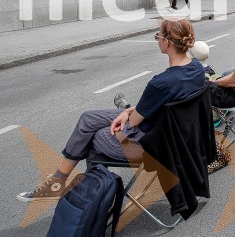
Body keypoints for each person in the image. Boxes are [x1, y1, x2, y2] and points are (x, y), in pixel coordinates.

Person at [18, 20, 205, 201]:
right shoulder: (196, 68)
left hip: (153, 147)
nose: (157, 40)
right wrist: (126, 112)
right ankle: (59, 183)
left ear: (166, 42)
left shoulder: (161, 83)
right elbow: (160, 105)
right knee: (88, 119)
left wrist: (128, 114)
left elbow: (134, 122)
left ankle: (87, 199)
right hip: (179, 137)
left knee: (92, 136)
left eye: (158, 36)